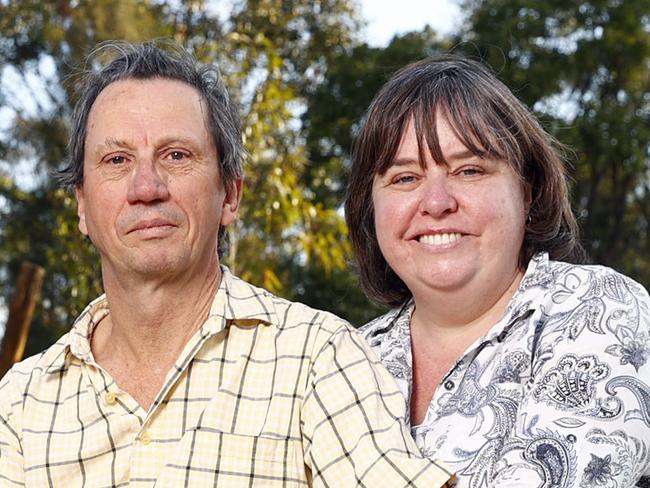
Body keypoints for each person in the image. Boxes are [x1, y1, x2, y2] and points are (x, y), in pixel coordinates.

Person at [0, 41, 454, 488]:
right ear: (82, 205)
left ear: (230, 195)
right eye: (117, 160)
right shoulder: (19, 404)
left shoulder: (319, 360)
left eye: (176, 155)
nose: (146, 187)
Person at [345, 54, 650, 488]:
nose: (436, 203)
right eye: (405, 178)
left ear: (526, 193)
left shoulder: (600, 310)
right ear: (370, 208)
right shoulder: (345, 359)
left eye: (469, 170)